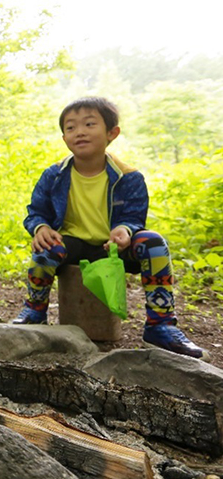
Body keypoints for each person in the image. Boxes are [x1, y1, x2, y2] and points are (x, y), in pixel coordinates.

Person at [15, 96, 205, 358]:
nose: (79, 132)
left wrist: (125, 230)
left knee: (152, 242)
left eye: (89, 124)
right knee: (45, 248)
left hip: (114, 247)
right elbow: (36, 212)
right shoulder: (55, 174)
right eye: (70, 127)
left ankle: (160, 325)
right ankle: (35, 312)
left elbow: (134, 216)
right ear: (64, 138)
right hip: (72, 243)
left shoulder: (128, 176)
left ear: (111, 133)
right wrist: (40, 227)